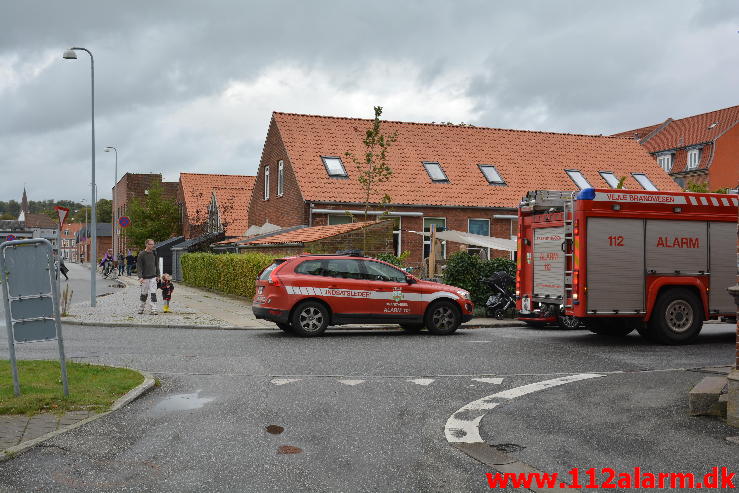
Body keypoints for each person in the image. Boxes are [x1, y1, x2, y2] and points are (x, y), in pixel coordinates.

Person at [137, 239, 160, 315]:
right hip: (145, 278)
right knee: (144, 294)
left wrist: (158, 275)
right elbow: (139, 267)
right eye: (150, 244)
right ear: (146, 244)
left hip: (153, 277)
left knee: (153, 293)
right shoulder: (141, 254)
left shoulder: (154, 253)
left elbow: (157, 265)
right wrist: (140, 277)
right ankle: (141, 308)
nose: (152, 246)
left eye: (153, 244)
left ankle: (154, 309)